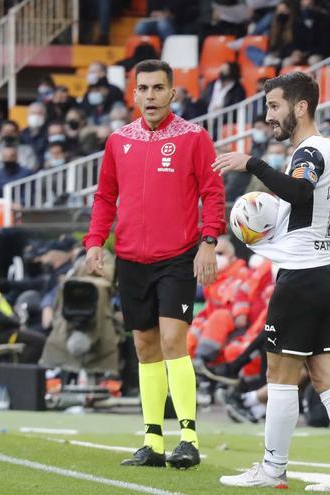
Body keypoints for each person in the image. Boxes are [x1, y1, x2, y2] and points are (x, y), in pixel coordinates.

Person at [210, 71, 330, 493]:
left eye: (274, 106)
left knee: (280, 379)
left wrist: (253, 164)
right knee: (327, 379)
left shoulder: (308, 152)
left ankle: (272, 469)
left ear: (300, 107)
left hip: (301, 279)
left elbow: (299, 194)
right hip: (328, 275)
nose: (269, 116)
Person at [83, 59, 225, 469]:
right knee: (144, 348)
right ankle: (152, 442)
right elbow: (105, 197)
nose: (150, 96)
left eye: (158, 88)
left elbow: (212, 193)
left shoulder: (194, 138)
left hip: (178, 257)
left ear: (172, 93)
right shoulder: (117, 141)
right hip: (130, 258)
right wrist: (95, 242)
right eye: (143, 88)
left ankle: (189, 438)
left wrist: (209, 242)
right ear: (134, 94)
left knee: (171, 342)